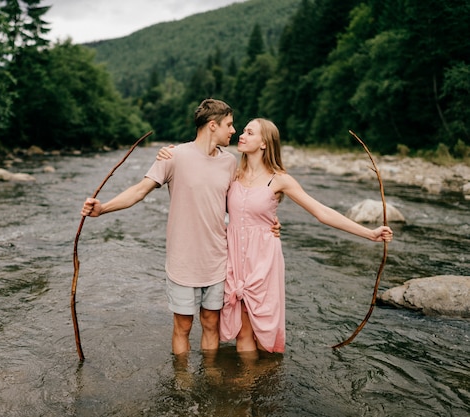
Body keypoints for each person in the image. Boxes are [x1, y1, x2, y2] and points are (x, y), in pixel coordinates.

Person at [158, 117, 393, 355]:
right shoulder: (233, 174)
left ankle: (266, 380)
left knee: (262, 325)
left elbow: (320, 212)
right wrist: (171, 154)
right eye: (243, 131)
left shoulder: (280, 179)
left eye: (250, 133)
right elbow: (204, 186)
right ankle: (244, 386)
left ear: (264, 143)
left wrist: (368, 233)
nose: (241, 134)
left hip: (263, 260)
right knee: (242, 330)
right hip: (233, 260)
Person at [82, 99, 241, 355]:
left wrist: (268, 222)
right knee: (183, 326)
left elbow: (236, 206)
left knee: (212, 323)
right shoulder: (174, 156)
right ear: (213, 125)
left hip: (217, 259)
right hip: (183, 260)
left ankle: (211, 382)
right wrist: (103, 208)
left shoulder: (230, 162)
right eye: (230, 125)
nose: (234, 130)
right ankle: (182, 384)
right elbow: (139, 190)